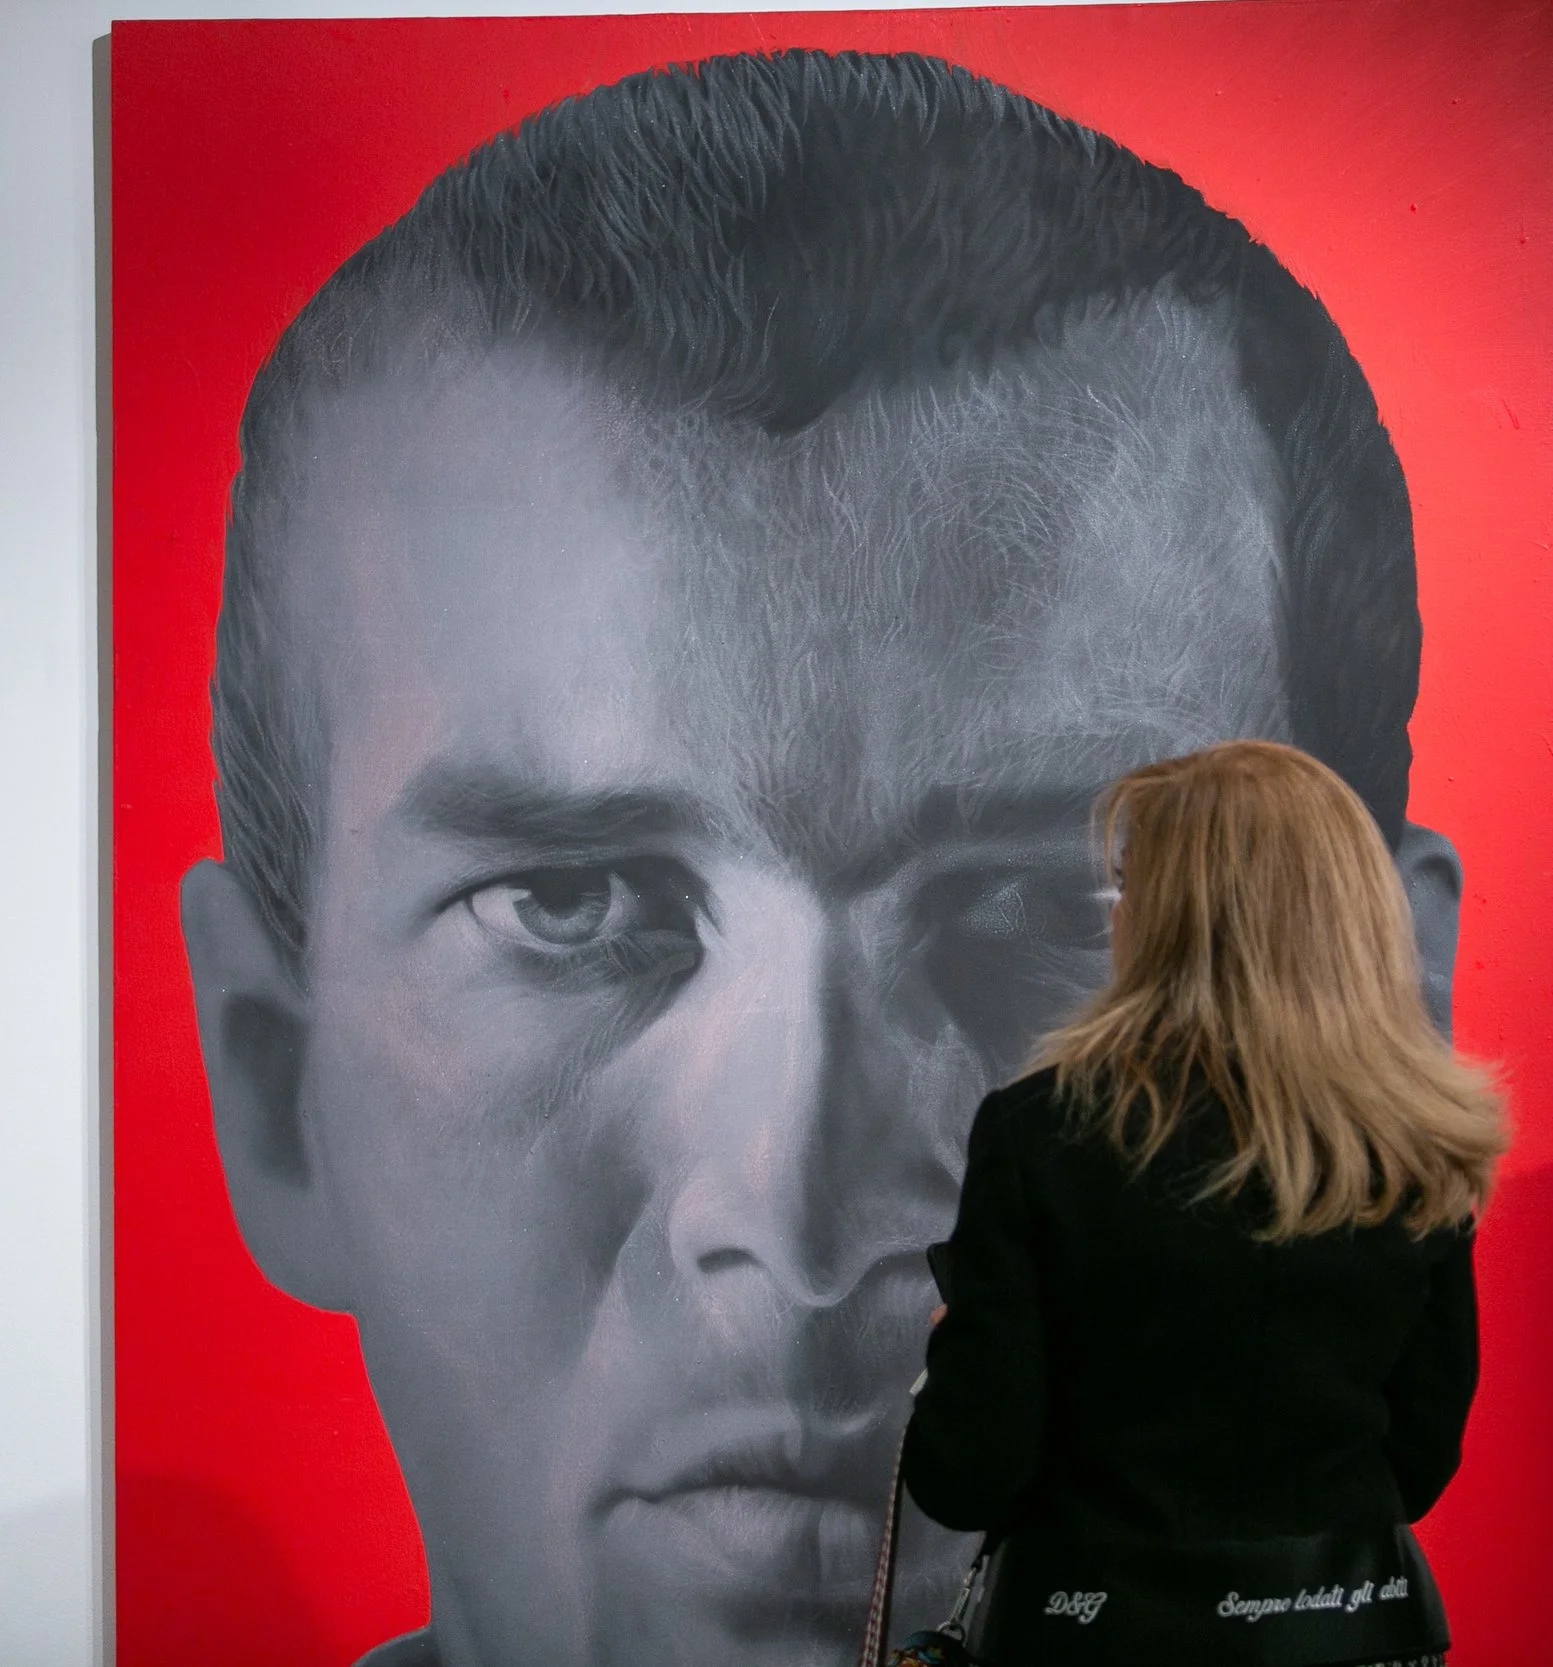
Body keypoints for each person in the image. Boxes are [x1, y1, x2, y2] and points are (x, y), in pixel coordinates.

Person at [173, 49, 1465, 1667]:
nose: (793, 1222)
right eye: (570, 902)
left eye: (1056, 902)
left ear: (1419, 989)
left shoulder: (1052, 1153)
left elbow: (974, 1457)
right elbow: (1420, 1449)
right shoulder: (1384, 1175)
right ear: (273, 1078)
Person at [900, 741, 1506, 1666]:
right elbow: (1419, 1459)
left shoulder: (1043, 1132)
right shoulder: (1420, 1142)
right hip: (1350, 1630)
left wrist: (957, 1352)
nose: (1117, 915)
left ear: (1169, 915)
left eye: (1126, 886)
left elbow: (969, 1475)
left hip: (1092, 1636)